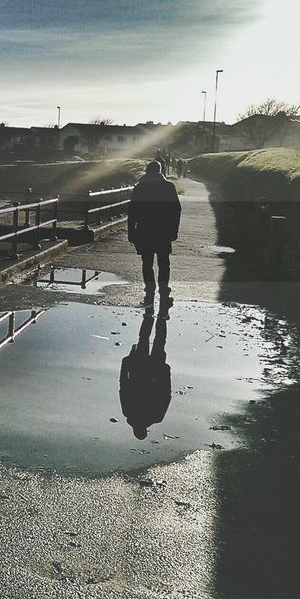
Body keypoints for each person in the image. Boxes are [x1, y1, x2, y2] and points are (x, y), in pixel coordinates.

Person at [127, 159, 181, 308]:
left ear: (147, 171)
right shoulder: (169, 187)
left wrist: (131, 232)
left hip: (144, 231)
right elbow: (176, 210)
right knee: (164, 263)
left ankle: (149, 288)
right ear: (160, 171)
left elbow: (132, 212)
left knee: (147, 263)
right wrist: (174, 230)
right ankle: (164, 289)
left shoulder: (140, 187)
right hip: (163, 231)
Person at [119, 311, 171, 439]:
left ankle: (161, 318)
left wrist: (166, 373)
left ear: (145, 430)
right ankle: (149, 317)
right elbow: (123, 386)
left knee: (159, 341)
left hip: (156, 373)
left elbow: (166, 395)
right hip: (139, 371)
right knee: (144, 339)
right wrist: (125, 365)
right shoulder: (128, 412)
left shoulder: (156, 417)